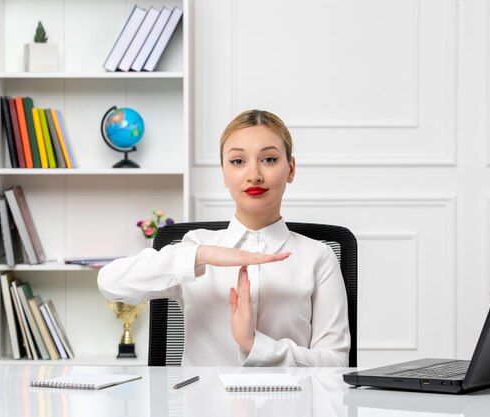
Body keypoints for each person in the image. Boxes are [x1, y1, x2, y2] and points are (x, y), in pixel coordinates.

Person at [98, 110, 350, 367]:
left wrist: (255, 344)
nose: (254, 174)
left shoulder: (319, 257)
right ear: (223, 173)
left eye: (269, 159)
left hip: (291, 405)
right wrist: (203, 255)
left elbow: (335, 362)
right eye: (238, 161)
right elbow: (110, 283)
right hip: (204, 404)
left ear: (291, 169)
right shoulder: (196, 247)